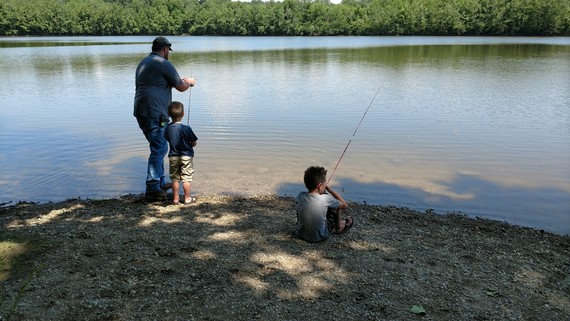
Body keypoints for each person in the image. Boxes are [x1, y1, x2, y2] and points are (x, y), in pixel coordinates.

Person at [134, 36, 196, 202]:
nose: (168, 53)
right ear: (165, 49)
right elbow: (181, 87)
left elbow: (162, 82)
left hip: (141, 111)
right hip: (156, 112)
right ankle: (153, 187)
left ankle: (160, 182)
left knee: (157, 146)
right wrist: (189, 82)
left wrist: (180, 80)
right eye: (168, 50)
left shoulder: (144, 62)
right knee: (160, 148)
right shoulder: (163, 63)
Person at [295, 166, 353, 242]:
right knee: (336, 206)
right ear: (319, 186)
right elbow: (344, 205)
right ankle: (338, 228)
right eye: (325, 183)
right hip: (321, 237)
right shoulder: (326, 199)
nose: (326, 185)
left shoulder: (300, 195)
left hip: (301, 234)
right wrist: (330, 190)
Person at [164, 101, 198, 205]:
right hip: (186, 157)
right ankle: (187, 198)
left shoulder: (167, 128)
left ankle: (175, 199)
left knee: (175, 179)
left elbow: (168, 139)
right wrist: (189, 145)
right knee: (186, 178)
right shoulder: (187, 128)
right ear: (183, 114)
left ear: (168, 115)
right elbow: (194, 142)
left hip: (173, 157)